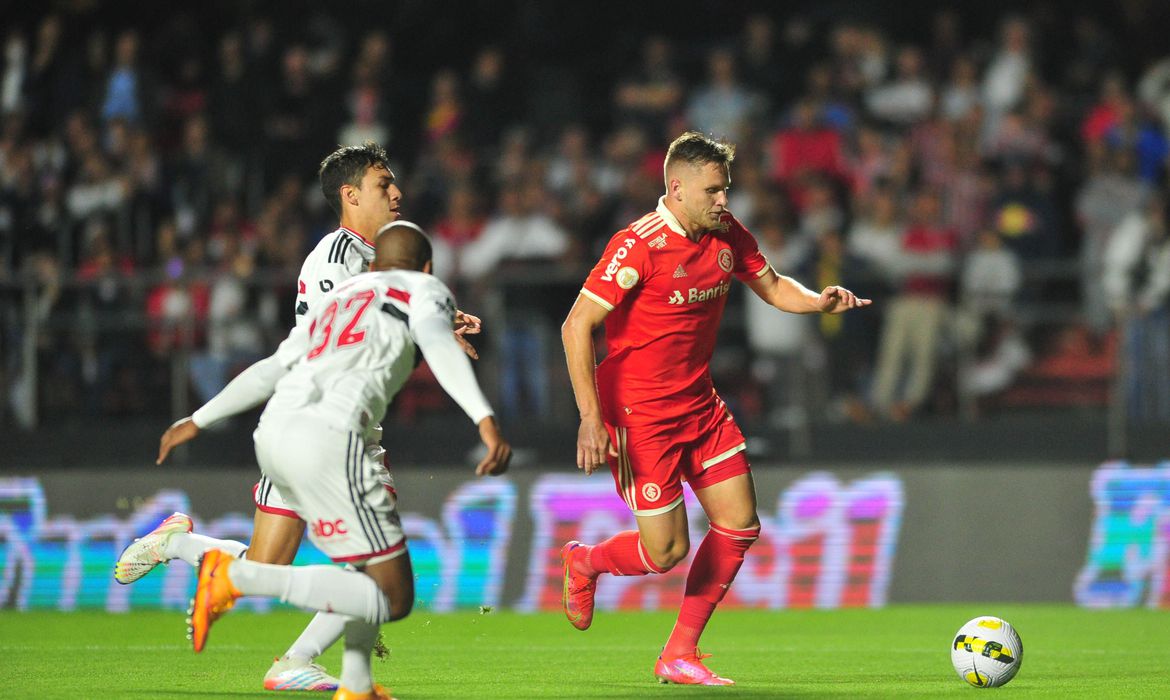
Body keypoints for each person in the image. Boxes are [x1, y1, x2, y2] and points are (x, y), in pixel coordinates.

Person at [114, 142, 480, 692]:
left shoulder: (374, 256)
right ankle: (305, 663)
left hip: (326, 421)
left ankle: (176, 544)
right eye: (385, 184)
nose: (397, 193)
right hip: (325, 426)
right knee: (375, 571)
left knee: (268, 567)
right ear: (351, 196)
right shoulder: (336, 259)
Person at [559, 132, 870, 685]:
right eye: (713, 191)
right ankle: (585, 561)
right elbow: (576, 324)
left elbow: (773, 286)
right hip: (639, 415)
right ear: (676, 188)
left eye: (726, 189)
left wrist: (817, 299)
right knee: (666, 551)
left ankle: (679, 653)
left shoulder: (726, 233)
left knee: (739, 524)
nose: (724, 201)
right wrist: (590, 416)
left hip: (699, 405)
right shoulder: (638, 244)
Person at [181, 221, 511, 700]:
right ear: (427, 267)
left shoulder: (345, 296)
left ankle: (353, 684)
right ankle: (235, 579)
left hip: (279, 428)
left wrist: (199, 418)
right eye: (383, 183)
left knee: (363, 569)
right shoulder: (395, 277)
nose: (394, 193)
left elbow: (274, 365)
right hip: (332, 434)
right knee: (388, 591)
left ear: (374, 266)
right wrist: (483, 417)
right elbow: (434, 346)